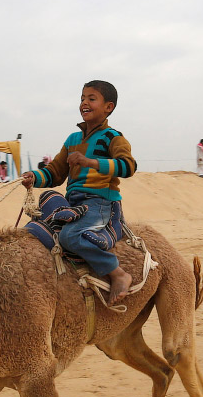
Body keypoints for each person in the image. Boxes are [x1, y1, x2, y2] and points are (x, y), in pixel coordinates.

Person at [22, 79, 135, 305]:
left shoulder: (113, 137)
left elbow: (128, 166)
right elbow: (55, 173)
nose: (84, 103)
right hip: (74, 202)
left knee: (69, 236)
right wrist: (35, 177)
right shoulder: (72, 140)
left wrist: (91, 162)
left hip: (100, 202)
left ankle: (117, 273)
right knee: (38, 228)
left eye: (91, 99)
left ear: (108, 107)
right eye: (82, 98)